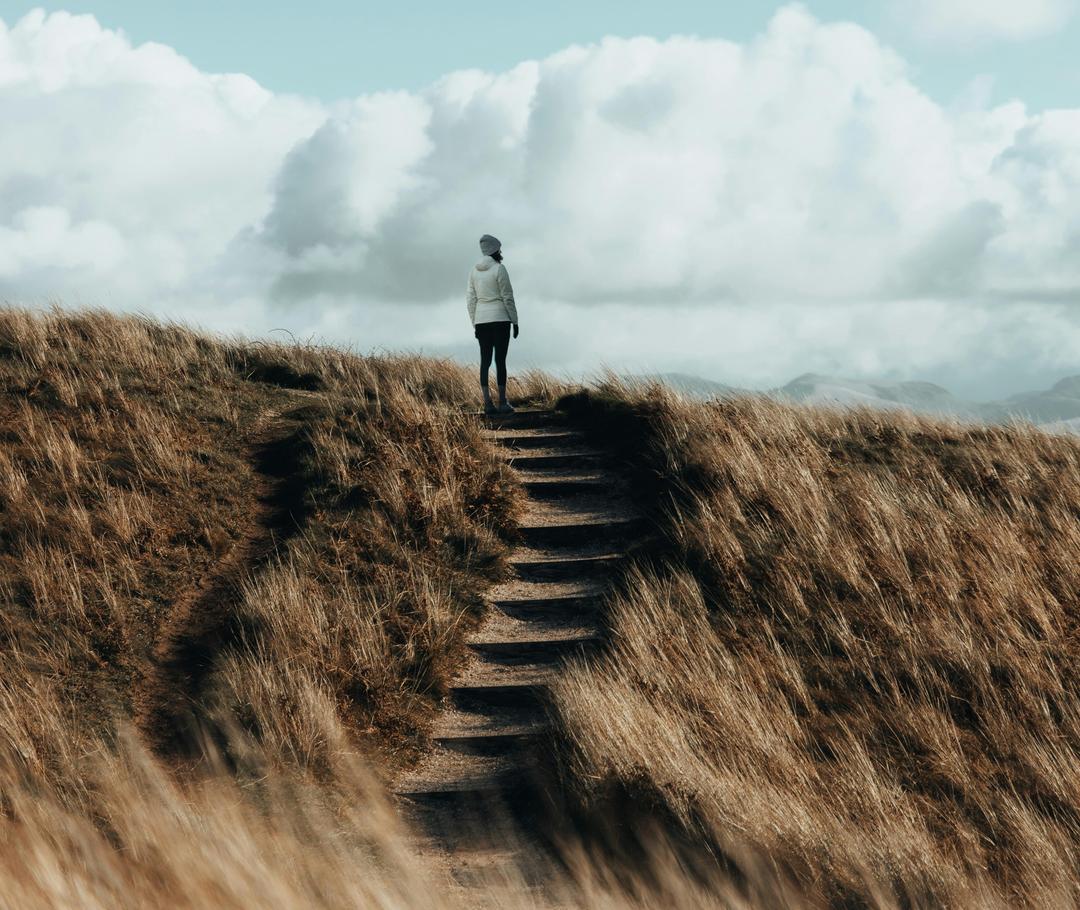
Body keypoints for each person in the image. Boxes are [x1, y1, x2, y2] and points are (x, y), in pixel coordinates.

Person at [466, 233, 519, 414]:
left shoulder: (474, 270)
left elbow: (470, 299)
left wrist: (475, 322)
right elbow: (507, 297)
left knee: (485, 361)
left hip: (482, 320)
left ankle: (487, 403)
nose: (501, 252)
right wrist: (515, 320)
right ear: (495, 250)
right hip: (501, 319)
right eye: (499, 249)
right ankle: (502, 402)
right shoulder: (499, 269)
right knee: (500, 361)